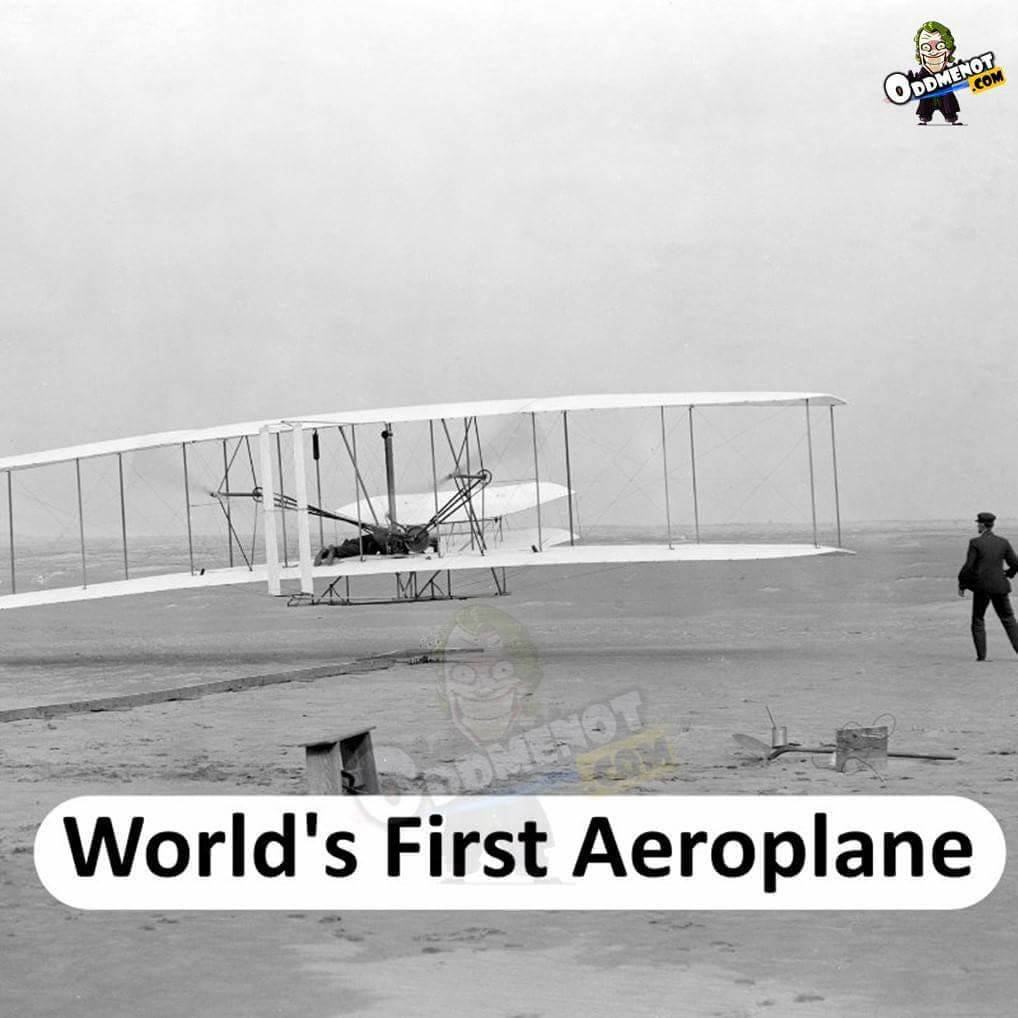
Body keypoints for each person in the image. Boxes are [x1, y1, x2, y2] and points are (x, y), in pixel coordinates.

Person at [958, 512, 1018, 661]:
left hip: (982, 587)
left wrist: (962, 583)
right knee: (1008, 619)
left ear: (983, 525)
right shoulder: (1003, 542)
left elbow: (968, 567)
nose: (977, 526)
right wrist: (1008, 574)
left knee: (978, 619)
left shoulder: (975, 543)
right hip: (1000, 586)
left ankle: (981, 657)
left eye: (978, 523)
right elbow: (1016, 564)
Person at [910, 21, 961, 125]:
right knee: (926, 103)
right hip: (929, 96)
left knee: (948, 104)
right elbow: (918, 81)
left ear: (949, 50)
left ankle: (951, 117)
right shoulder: (924, 71)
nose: (933, 52)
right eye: (926, 47)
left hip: (944, 96)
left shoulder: (946, 70)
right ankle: (925, 117)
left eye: (940, 46)